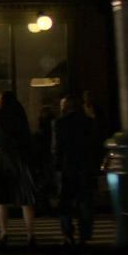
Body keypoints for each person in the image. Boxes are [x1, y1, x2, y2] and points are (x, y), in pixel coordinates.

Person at [0, 91, 38, 248]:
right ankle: (30, 233)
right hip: (19, 157)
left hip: (2, 157)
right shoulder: (19, 113)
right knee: (26, 199)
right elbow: (27, 137)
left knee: (2, 200)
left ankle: (4, 232)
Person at [53, 94, 102, 247]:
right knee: (85, 202)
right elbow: (96, 145)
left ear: (65, 107)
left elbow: (57, 148)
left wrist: (57, 167)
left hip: (68, 167)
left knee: (65, 203)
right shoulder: (89, 122)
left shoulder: (60, 123)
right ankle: (84, 234)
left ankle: (68, 233)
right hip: (86, 167)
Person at [32, 105, 58, 215]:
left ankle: (44, 205)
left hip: (46, 156)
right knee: (47, 181)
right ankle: (44, 205)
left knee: (45, 182)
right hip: (47, 156)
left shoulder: (43, 128)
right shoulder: (50, 125)